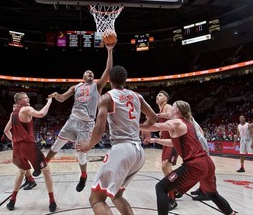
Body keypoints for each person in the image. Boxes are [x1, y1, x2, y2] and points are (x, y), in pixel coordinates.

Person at [76, 65, 158, 215]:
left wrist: (88, 146)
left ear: (110, 81)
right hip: (139, 152)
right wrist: (140, 127)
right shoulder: (137, 96)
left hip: (122, 150)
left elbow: (100, 129)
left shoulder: (107, 97)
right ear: (125, 80)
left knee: (96, 199)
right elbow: (154, 118)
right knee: (117, 196)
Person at [140, 100, 235, 215]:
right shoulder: (188, 123)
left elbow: (155, 126)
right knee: (212, 194)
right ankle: (231, 213)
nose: (169, 110)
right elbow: (173, 142)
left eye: (171, 108)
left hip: (194, 165)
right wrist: (154, 140)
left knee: (161, 188)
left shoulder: (177, 122)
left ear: (176, 110)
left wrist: (132, 125)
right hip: (207, 163)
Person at [45, 41, 116, 192]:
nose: (90, 73)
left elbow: (108, 70)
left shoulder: (97, 86)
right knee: (56, 145)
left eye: (92, 73)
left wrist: (109, 51)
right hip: (72, 121)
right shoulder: (75, 86)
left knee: (81, 154)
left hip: (86, 124)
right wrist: (57, 95)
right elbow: (63, 98)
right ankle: (43, 164)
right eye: (88, 72)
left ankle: (83, 175)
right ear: (83, 76)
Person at [4, 92, 57, 212]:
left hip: (17, 149)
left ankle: (12, 200)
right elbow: (41, 114)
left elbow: (6, 130)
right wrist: (49, 102)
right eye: (25, 97)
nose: (28, 98)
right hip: (27, 146)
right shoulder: (26, 109)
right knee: (46, 171)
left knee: (22, 172)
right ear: (19, 101)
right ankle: (52, 201)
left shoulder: (13, 114)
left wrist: (13, 140)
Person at [154, 90, 178, 210]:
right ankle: (176, 188)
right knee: (167, 169)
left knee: (165, 167)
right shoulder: (161, 110)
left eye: (160, 95)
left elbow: (171, 116)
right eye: (157, 95)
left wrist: (157, 116)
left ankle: (172, 199)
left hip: (173, 143)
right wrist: (161, 131)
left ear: (166, 98)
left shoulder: (167, 106)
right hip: (166, 143)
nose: (157, 97)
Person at [10, 103, 37, 190]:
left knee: (21, 162)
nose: (15, 108)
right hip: (18, 141)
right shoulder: (13, 116)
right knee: (18, 162)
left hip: (25, 141)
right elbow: (7, 130)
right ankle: (28, 179)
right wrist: (13, 139)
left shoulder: (22, 115)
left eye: (16, 106)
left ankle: (31, 180)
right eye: (13, 106)